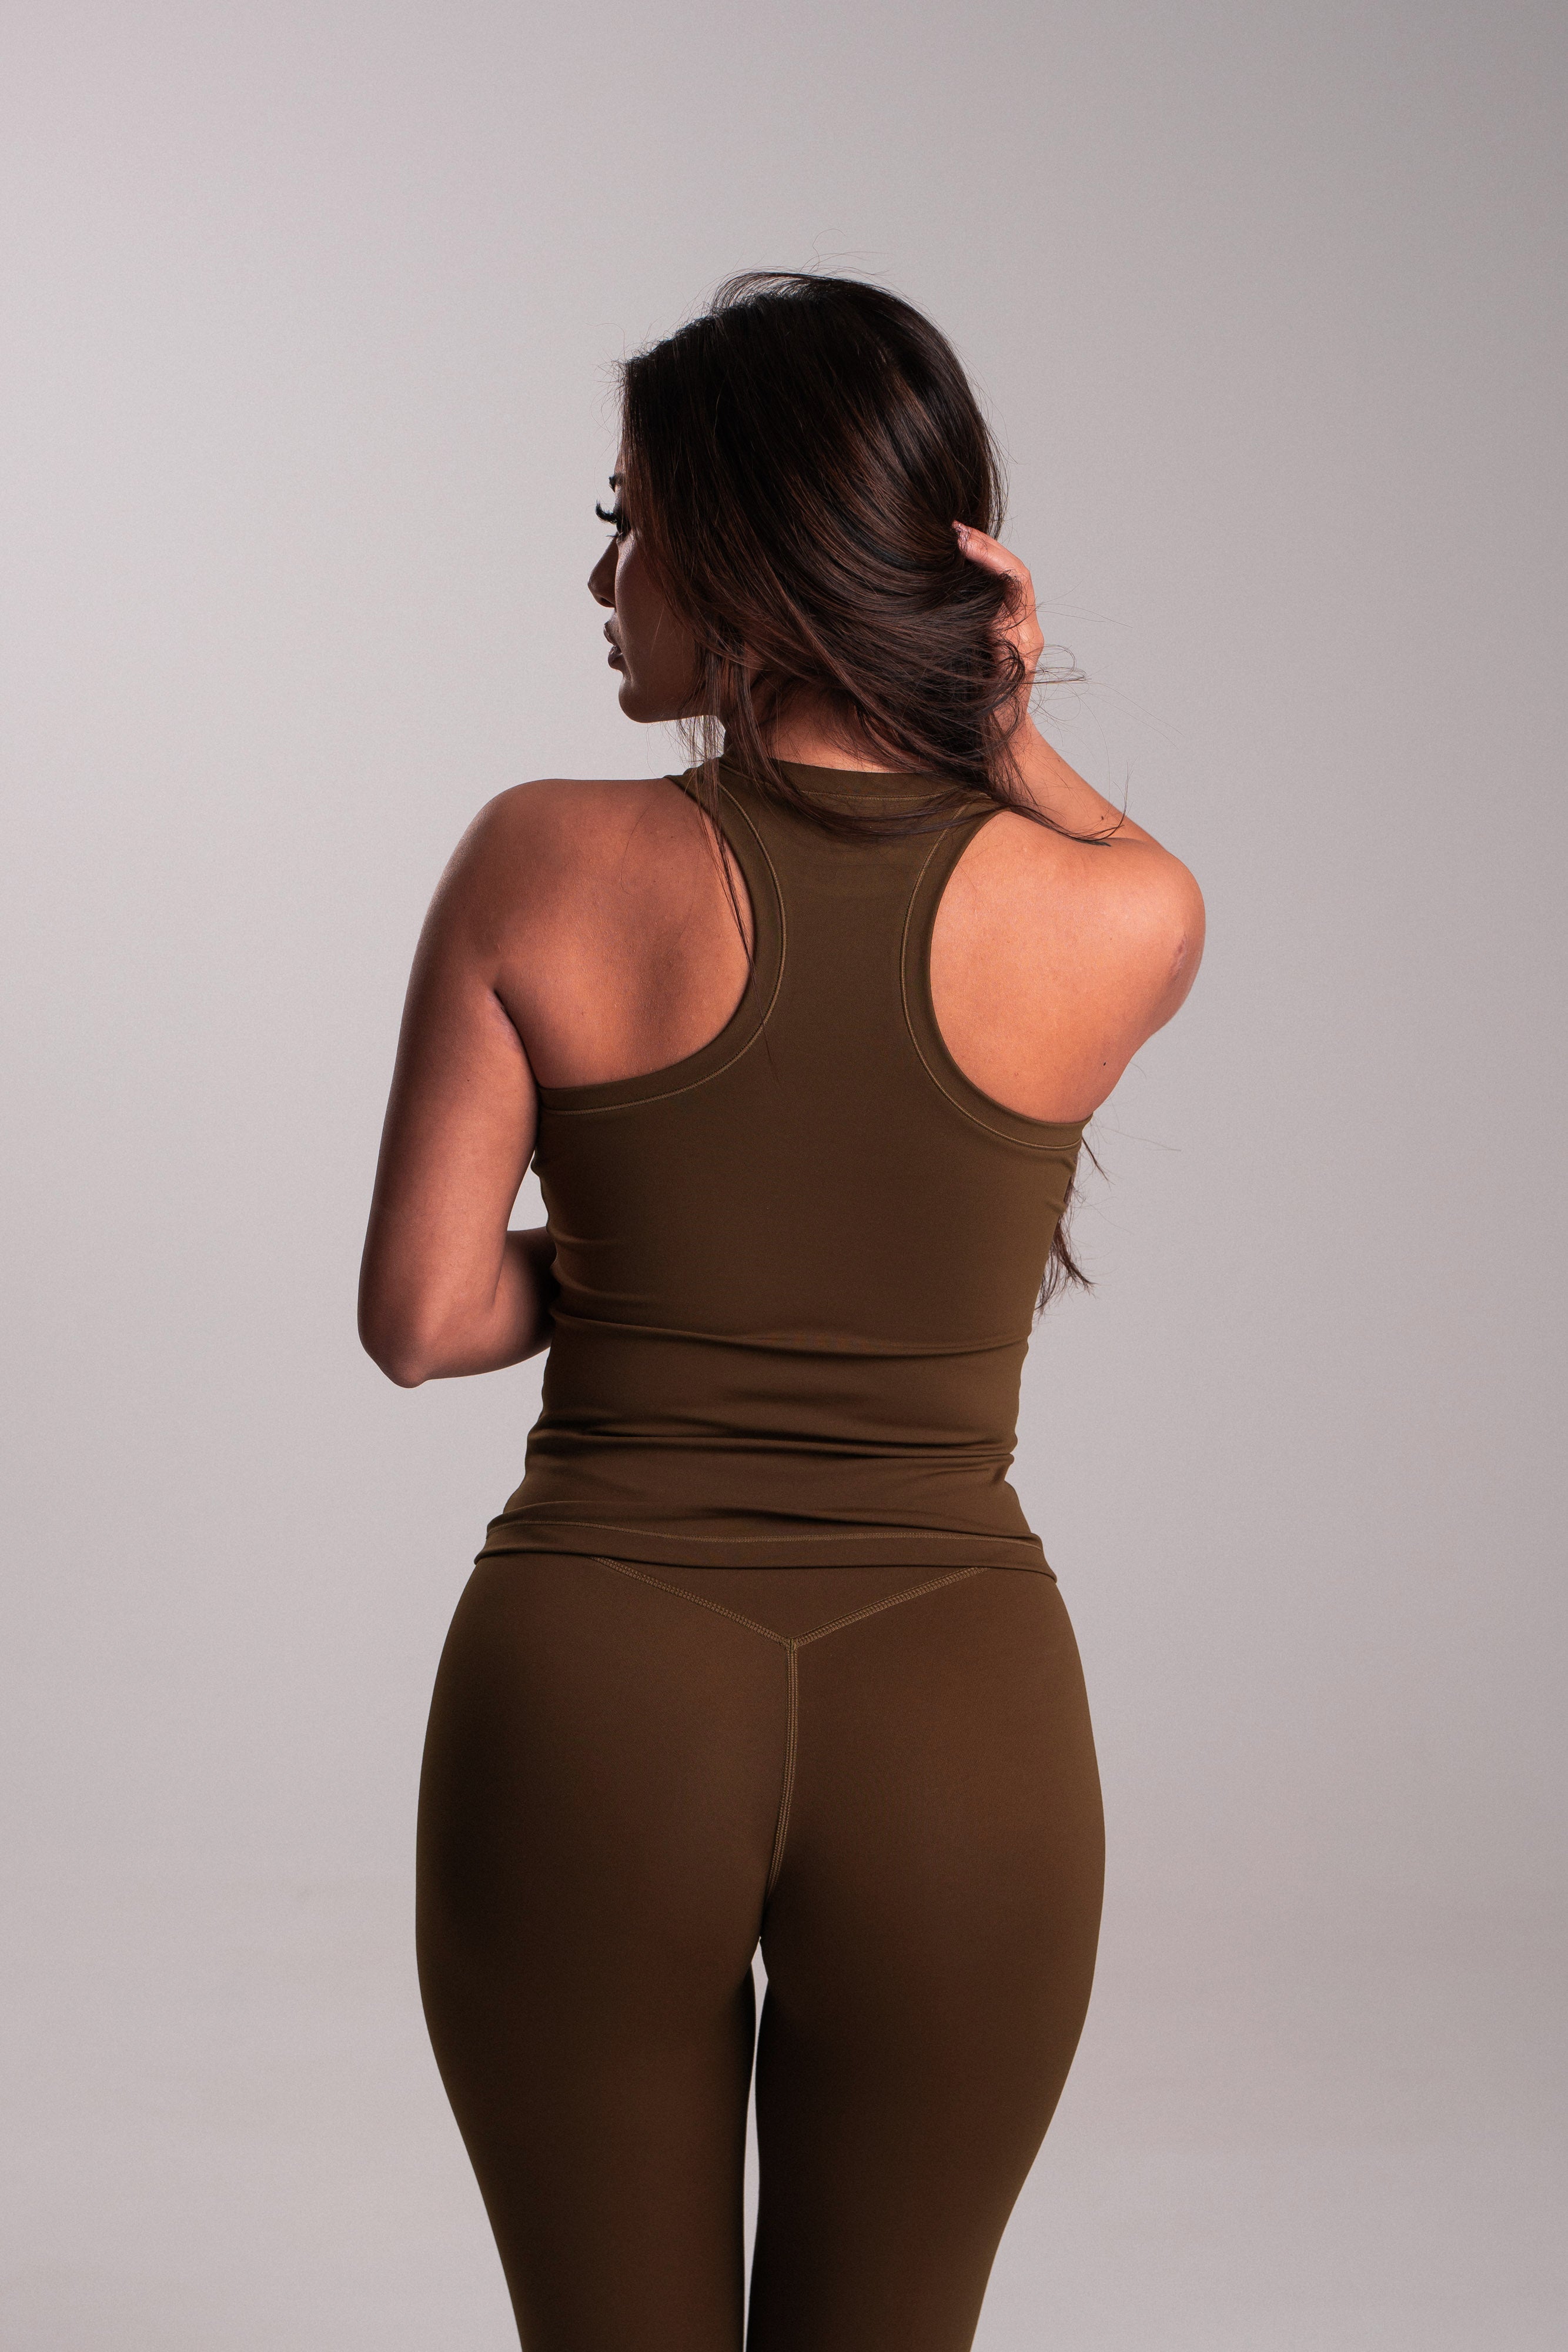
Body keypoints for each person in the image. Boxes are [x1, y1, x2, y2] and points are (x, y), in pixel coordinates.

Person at [359, 270, 1203, 2352]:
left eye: (631, 519)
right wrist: (999, 716)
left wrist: (648, 1265)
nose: (604, 577)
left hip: (593, 1698)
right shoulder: (1114, 919)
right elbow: (1140, 870)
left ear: (745, 548)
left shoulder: (540, 860)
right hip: (962, 1722)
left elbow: (423, 1315)